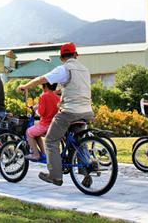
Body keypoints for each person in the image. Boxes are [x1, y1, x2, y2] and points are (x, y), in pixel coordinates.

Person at [17, 43, 93, 186]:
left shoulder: (64, 69)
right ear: (76, 55)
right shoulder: (84, 69)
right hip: (87, 111)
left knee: (51, 141)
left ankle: (55, 176)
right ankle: (87, 170)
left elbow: (42, 79)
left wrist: (25, 86)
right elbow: (73, 88)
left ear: (61, 57)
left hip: (71, 112)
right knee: (78, 142)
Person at [26, 82, 60, 161]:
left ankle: (35, 154)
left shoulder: (44, 96)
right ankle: (43, 153)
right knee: (36, 134)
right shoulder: (57, 97)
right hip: (53, 125)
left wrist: (35, 110)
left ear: (46, 86)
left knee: (29, 132)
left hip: (45, 124)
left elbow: (41, 113)